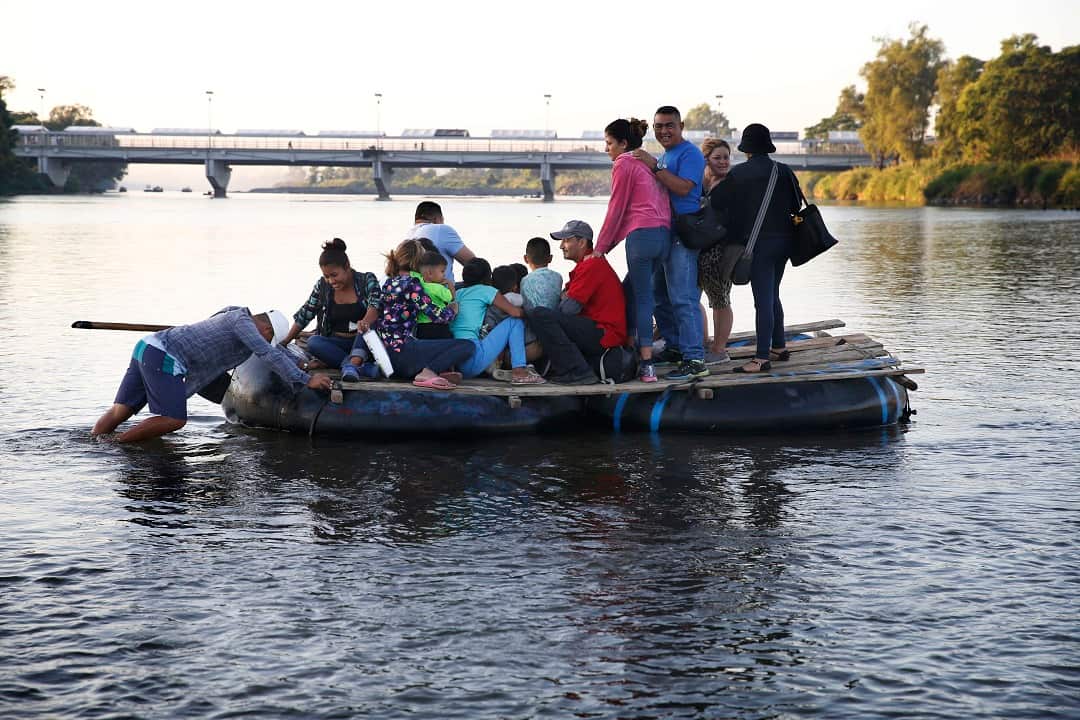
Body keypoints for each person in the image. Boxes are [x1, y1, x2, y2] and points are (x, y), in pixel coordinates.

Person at [92, 307, 332, 443]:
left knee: (119, 411)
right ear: (266, 329)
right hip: (164, 356)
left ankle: (94, 441)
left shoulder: (235, 314)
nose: (267, 342)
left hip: (147, 346)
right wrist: (306, 380)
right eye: (268, 338)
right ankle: (117, 445)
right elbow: (268, 353)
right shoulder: (242, 323)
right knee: (174, 419)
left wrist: (303, 364)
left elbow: (276, 351)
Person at [710, 123, 803, 373]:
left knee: (762, 300)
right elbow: (797, 202)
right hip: (785, 243)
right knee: (772, 294)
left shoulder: (739, 174)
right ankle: (779, 346)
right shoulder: (783, 171)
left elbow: (717, 201)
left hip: (758, 244)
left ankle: (761, 358)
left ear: (746, 149)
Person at [631, 105, 709, 381]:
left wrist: (653, 166)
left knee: (683, 298)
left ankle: (695, 358)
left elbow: (684, 188)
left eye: (669, 125)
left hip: (684, 234)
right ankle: (675, 347)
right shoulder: (666, 155)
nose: (664, 130)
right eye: (659, 126)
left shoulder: (690, 154)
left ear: (681, 126)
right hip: (664, 232)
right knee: (659, 295)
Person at [593, 117, 672, 383]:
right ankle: (632, 345)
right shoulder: (648, 163)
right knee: (630, 291)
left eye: (609, 143)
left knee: (642, 298)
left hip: (643, 238)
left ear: (623, 143)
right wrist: (608, 246)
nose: (607, 149)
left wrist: (599, 249)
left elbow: (617, 209)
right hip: (664, 236)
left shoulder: (624, 163)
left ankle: (647, 364)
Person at [527, 220, 627, 385]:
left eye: (566, 240)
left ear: (581, 243)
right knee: (544, 315)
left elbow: (567, 309)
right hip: (597, 328)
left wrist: (562, 299)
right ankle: (572, 369)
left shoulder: (592, 265)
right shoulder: (586, 265)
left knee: (539, 314)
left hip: (605, 333)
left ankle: (577, 371)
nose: (561, 246)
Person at [375, 240, 474, 389]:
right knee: (467, 346)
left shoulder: (389, 282)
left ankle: (436, 372)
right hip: (405, 353)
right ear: (418, 260)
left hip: (388, 358)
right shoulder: (413, 283)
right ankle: (428, 372)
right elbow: (435, 315)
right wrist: (452, 309)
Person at [280, 238, 381, 382]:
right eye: (326, 276)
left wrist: (364, 323)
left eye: (334, 275)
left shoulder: (366, 280)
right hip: (337, 344)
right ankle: (357, 367)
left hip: (364, 343)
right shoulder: (322, 286)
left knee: (368, 327)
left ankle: (354, 364)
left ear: (347, 266)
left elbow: (375, 306)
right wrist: (285, 342)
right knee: (314, 342)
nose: (331, 281)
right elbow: (306, 313)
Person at [450, 259, 544, 384]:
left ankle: (498, 368)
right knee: (515, 322)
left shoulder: (458, 293)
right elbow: (515, 312)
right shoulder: (486, 290)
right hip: (473, 357)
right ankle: (519, 371)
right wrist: (532, 313)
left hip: (455, 359)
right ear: (488, 279)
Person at [697, 138, 737, 362]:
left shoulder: (730, 185)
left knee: (721, 299)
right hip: (700, 249)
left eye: (726, 157)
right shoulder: (701, 183)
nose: (723, 162)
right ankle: (704, 343)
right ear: (706, 160)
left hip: (720, 250)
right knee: (695, 299)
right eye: (718, 158)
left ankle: (719, 350)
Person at [404, 200, 477, 283]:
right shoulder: (440, 229)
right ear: (437, 219)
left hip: (414, 290)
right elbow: (473, 263)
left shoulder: (408, 236)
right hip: (441, 291)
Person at [413, 251, 455, 340]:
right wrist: (450, 285)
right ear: (430, 273)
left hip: (421, 328)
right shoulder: (438, 288)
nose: (444, 274)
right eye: (442, 271)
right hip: (438, 326)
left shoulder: (418, 283)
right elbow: (450, 297)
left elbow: (414, 273)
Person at [520, 237, 563, 311]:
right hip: (554, 319)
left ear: (525, 258)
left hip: (532, 320)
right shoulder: (558, 277)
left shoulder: (524, 281)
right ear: (550, 258)